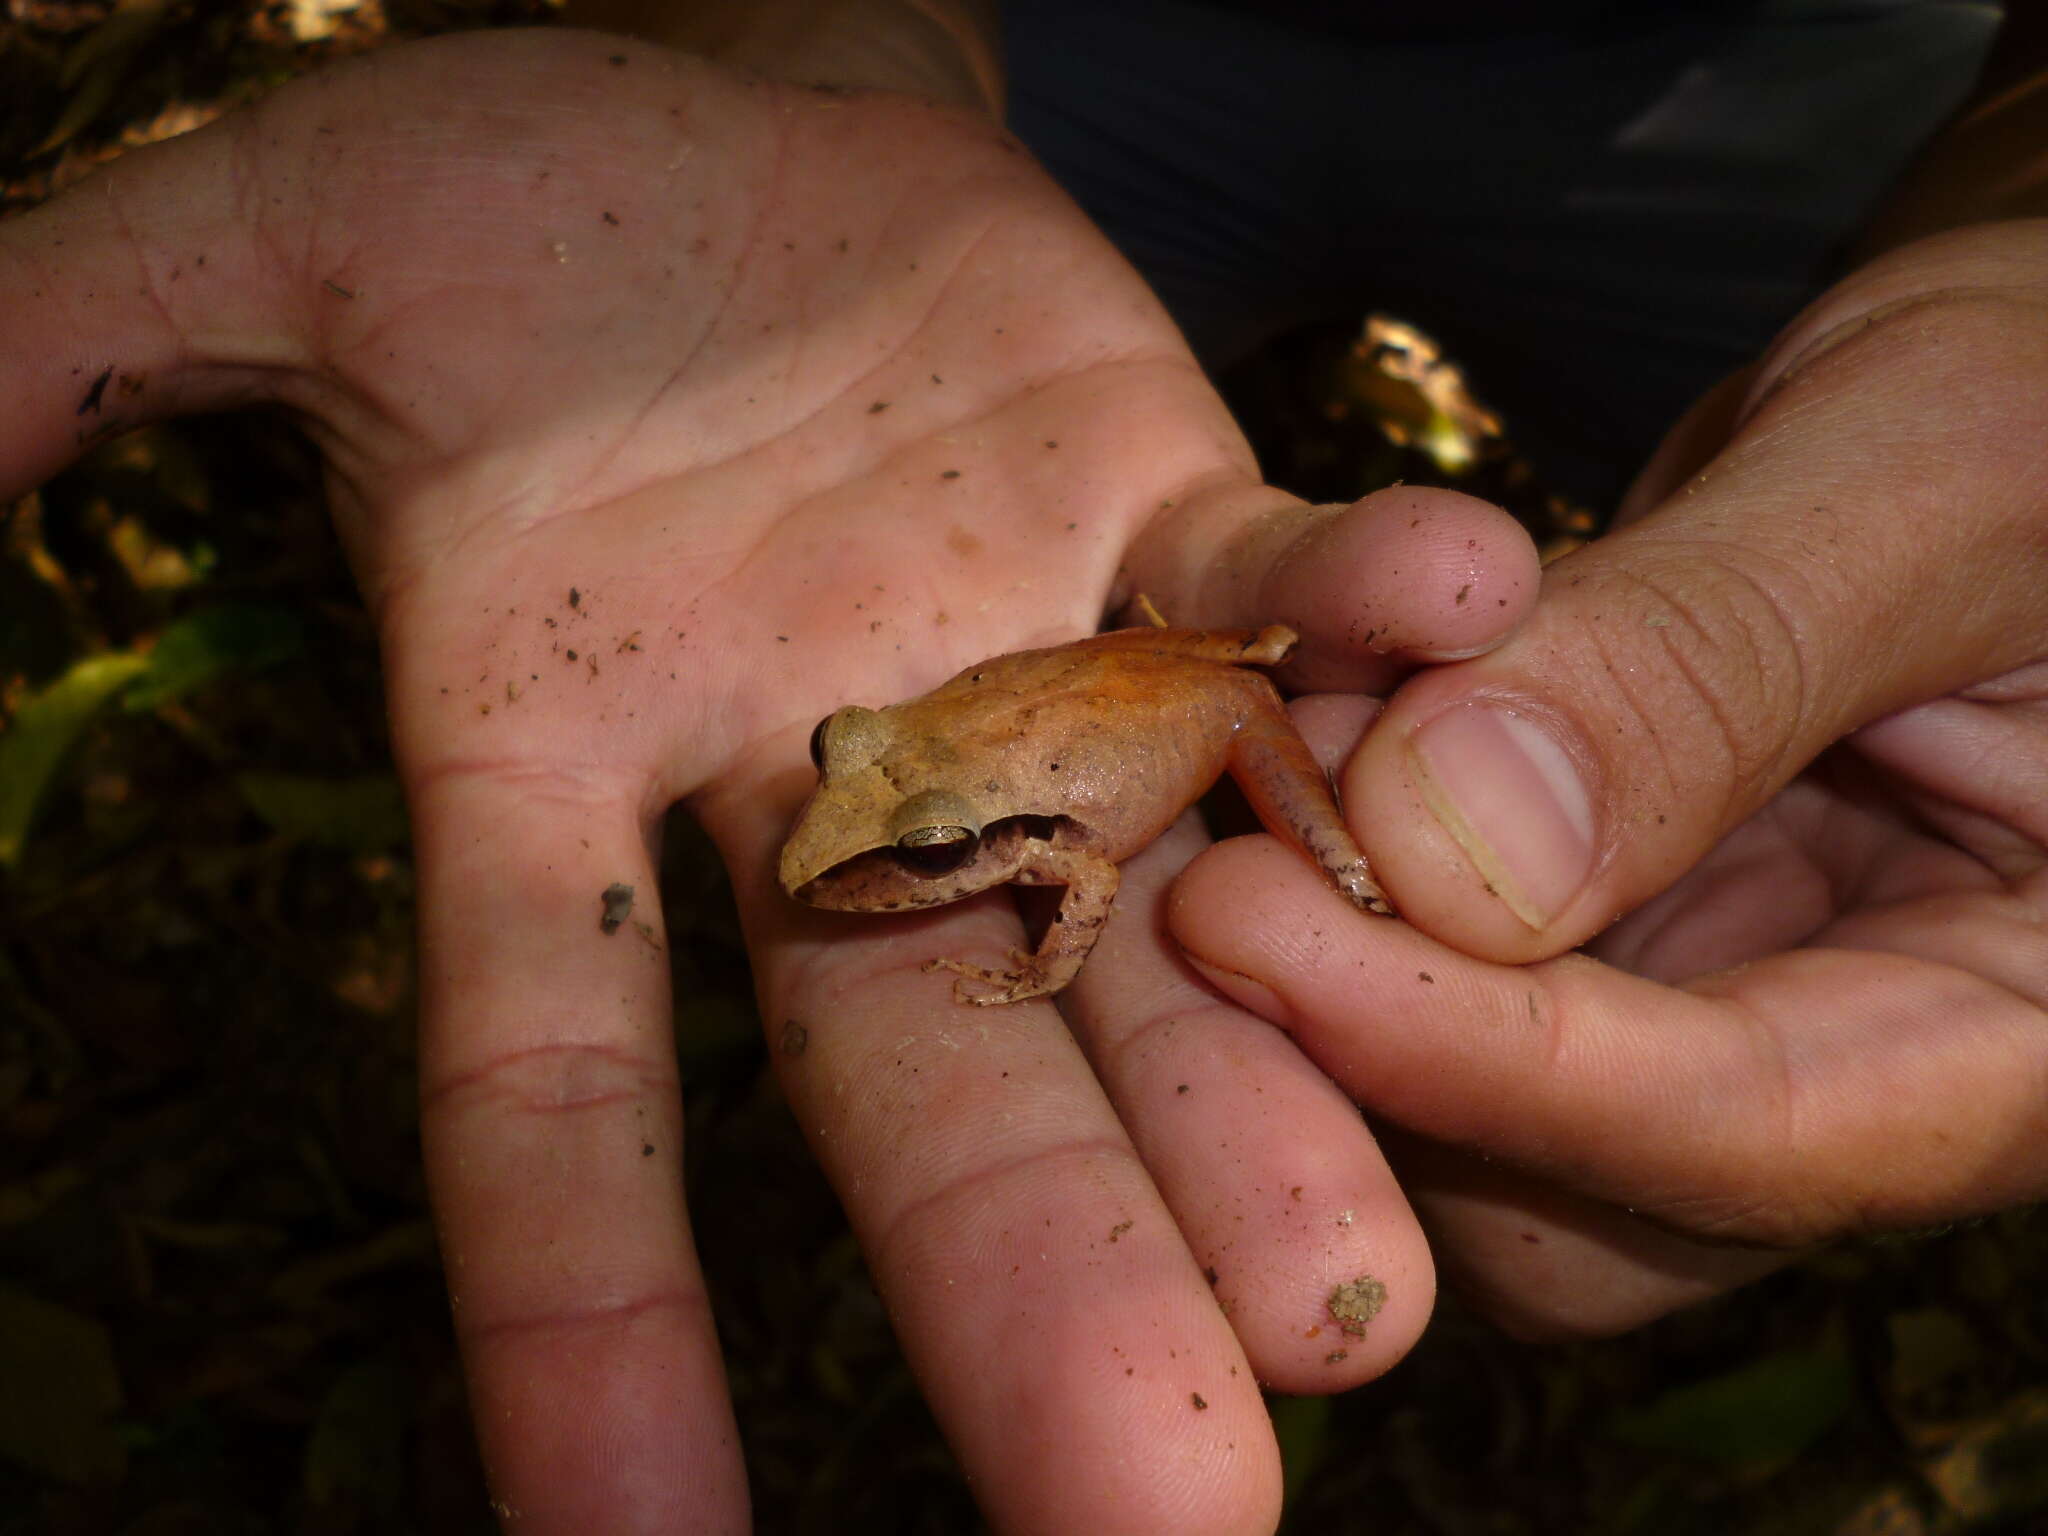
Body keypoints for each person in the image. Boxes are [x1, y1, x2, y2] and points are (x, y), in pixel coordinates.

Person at [1, 3, 2041, 1532]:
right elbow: (925, 764)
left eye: (897, 852)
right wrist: (819, 54)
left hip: (1838, 98)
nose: (848, 861)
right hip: (1077, 63)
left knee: (1591, 558)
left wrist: (2001, 265)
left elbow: (1123, 818)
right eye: (855, 803)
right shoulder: (924, 791)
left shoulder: (1051, 844)